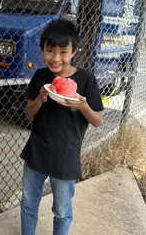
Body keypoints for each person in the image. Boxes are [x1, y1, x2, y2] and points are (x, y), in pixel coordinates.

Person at [20, 20, 103, 235]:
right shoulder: (40, 76)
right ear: (42, 50)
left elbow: (97, 121)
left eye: (63, 52)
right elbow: (29, 113)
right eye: (50, 51)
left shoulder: (86, 80)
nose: (55, 58)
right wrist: (40, 98)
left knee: (62, 210)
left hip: (66, 156)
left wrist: (83, 105)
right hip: (37, 151)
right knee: (28, 203)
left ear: (74, 51)